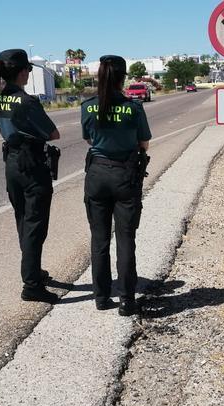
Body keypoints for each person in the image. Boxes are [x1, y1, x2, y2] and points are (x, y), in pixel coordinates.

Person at [81, 55, 152, 316]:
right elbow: (144, 142)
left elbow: (89, 138)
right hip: (125, 175)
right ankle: (126, 300)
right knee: (125, 239)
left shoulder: (87, 106)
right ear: (122, 77)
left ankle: (101, 297)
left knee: (99, 238)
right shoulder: (133, 107)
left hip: (97, 174)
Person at [0, 49, 61, 303]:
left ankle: (34, 271)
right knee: (35, 226)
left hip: (11, 163)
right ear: (21, 72)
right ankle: (31, 285)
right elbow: (53, 134)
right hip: (31, 164)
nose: (29, 74)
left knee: (23, 221)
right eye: (29, 70)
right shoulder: (26, 101)